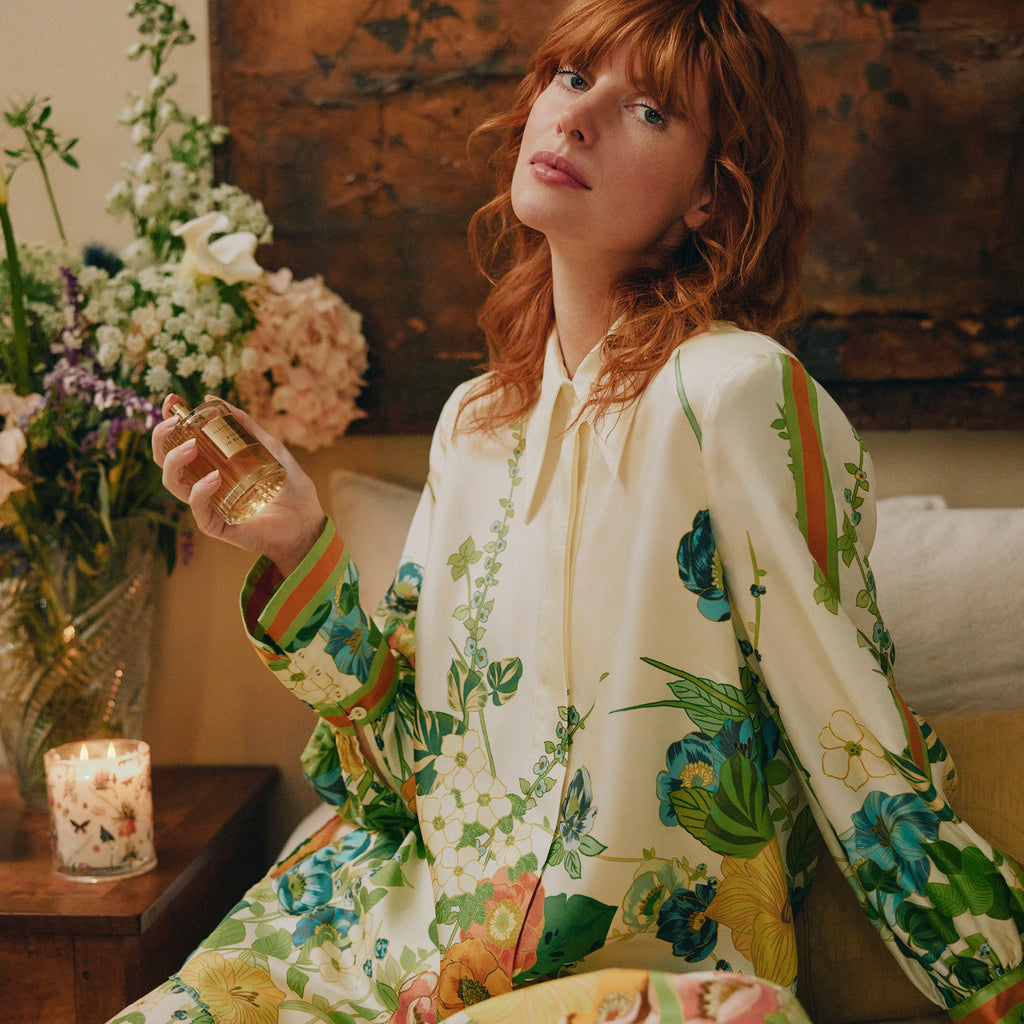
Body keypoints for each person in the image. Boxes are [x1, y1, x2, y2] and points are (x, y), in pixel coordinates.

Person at [113, 0, 1024, 1021]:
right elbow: (403, 779)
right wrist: (298, 545)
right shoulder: (474, 423)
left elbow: (856, 747)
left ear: (711, 196)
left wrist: (998, 980)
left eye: (648, 110)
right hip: (372, 953)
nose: (576, 118)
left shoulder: (736, 394)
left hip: (639, 988)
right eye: (572, 77)